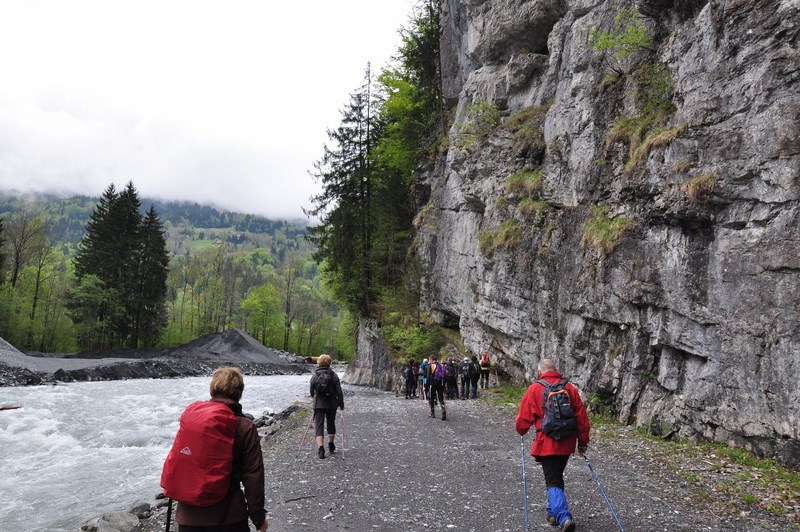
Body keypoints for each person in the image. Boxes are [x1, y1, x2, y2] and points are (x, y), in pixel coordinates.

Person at [175, 367, 268, 532]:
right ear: (239, 392)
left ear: (212, 391)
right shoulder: (244, 426)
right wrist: (258, 518)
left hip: (188, 517)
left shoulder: (192, 420)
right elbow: (253, 477)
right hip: (229, 517)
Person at [515, 359, 590, 532]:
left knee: (553, 480)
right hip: (567, 442)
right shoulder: (569, 388)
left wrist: (521, 430)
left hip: (547, 442)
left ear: (540, 371)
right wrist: (583, 443)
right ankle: (552, 512)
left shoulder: (535, 388)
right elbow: (582, 419)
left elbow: (523, 418)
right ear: (555, 370)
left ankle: (564, 517)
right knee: (556, 475)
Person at [309, 354, 345, 459]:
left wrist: (315, 399)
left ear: (318, 363)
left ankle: (321, 449)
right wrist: (341, 403)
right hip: (332, 404)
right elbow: (339, 391)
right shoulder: (333, 375)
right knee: (330, 423)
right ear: (329, 363)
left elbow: (311, 392)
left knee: (318, 426)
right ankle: (331, 444)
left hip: (318, 404)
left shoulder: (315, 375)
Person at [426, 354, 447, 421]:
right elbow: (445, 376)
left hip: (433, 384)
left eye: (430, 359)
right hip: (440, 384)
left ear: (432, 359)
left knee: (432, 398)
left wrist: (426, 386)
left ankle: (433, 413)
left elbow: (428, 377)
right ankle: (443, 412)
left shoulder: (431, 366)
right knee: (441, 398)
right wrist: (444, 385)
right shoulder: (440, 366)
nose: (429, 361)